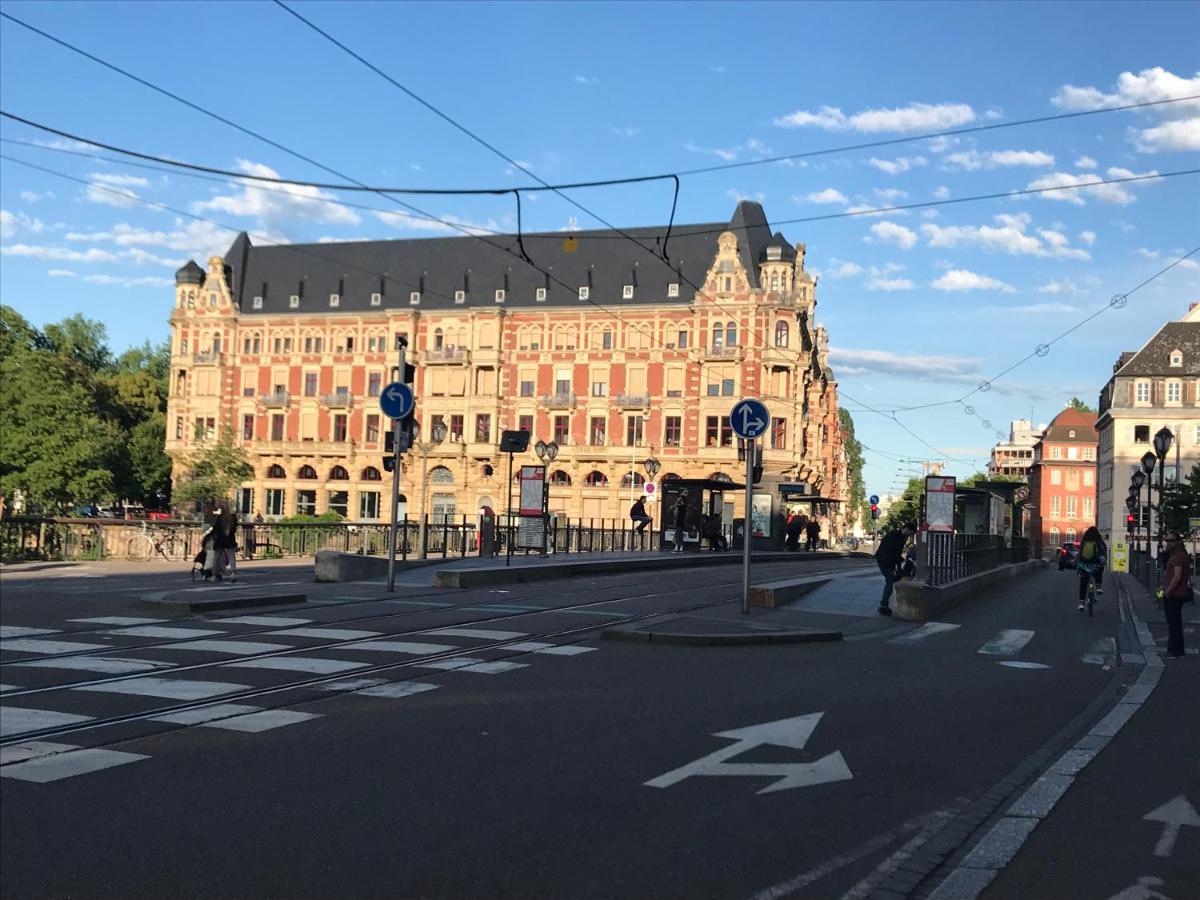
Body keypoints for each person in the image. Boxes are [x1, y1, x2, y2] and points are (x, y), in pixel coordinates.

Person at [1160, 531, 1191, 660]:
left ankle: (1173, 651)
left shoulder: (1178, 556)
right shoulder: (1176, 554)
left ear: (1177, 542)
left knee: (1174, 623)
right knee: (1175, 622)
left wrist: (1168, 591)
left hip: (1174, 594)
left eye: (1171, 540)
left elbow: (1177, 577)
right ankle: (1179, 650)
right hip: (1175, 593)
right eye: (1167, 540)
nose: (1168, 542)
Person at [875, 522, 915, 616]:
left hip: (885, 560)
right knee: (890, 582)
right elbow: (893, 551)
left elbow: (895, 552)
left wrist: (899, 562)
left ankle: (884, 605)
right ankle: (883, 606)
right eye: (910, 533)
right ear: (907, 529)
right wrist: (899, 563)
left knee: (890, 581)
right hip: (885, 561)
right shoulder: (897, 536)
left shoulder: (895, 535)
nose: (910, 535)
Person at [1076, 526, 1107, 612]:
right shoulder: (1099, 541)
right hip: (1095, 565)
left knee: (1083, 583)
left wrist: (1078, 564)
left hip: (1084, 565)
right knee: (1100, 569)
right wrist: (1103, 561)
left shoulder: (1084, 541)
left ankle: (1081, 604)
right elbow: (1103, 552)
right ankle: (1098, 587)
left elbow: (1079, 554)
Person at [213, 504, 239, 583]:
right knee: (231, 557)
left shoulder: (219, 518)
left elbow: (215, 529)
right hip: (230, 539)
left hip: (220, 539)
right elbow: (234, 529)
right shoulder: (233, 517)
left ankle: (215, 574)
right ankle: (233, 573)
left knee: (216, 557)